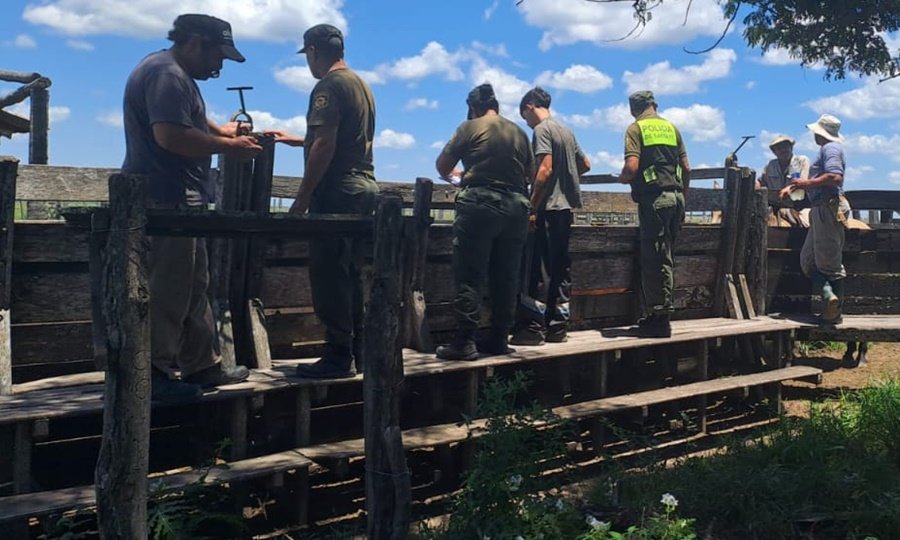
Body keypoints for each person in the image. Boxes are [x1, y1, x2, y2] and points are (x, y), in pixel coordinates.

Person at [122, 13, 262, 400]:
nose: (219, 65)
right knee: (168, 289)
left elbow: (192, 119)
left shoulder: (172, 72)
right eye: (218, 55)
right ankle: (154, 375)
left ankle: (203, 365)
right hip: (166, 199)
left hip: (184, 200)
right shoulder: (167, 75)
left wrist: (223, 131)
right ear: (195, 43)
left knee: (194, 284)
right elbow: (170, 135)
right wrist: (229, 147)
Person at [267, 24, 378, 378]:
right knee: (351, 273)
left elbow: (327, 144)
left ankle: (336, 356)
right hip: (363, 187)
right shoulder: (361, 84)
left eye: (308, 56)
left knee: (329, 273)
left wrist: (302, 197)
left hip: (338, 190)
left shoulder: (327, 86)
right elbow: (338, 138)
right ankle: (358, 351)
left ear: (313, 51)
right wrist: (296, 140)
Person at [434, 83, 533, 360]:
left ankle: (465, 341)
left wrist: (464, 173)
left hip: (480, 205)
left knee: (470, 273)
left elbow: (442, 166)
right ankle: (499, 338)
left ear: (473, 108)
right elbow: (529, 173)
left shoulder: (470, 127)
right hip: (516, 208)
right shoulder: (519, 132)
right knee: (507, 276)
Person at [511, 87, 591, 345]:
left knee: (540, 269)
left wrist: (532, 207)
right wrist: (567, 179)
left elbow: (544, 170)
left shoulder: (542, 130)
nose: (526, 121)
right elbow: (586, 164)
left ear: (530, 106)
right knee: (560, 268)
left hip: (548, 208)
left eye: (525, 116)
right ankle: (558, 328)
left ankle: (533, 329)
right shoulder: (566, 130)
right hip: (566, 209)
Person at [618, 90, 691, 338]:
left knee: (654, 258)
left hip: (655, 201)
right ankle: (659, 313)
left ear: (632, 109)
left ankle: (659, 318)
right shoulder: (672, 128)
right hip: (677, 199)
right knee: (667, 255)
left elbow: (632, 167)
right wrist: (684, 199)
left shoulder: (635, 128)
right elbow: (686, 168)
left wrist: (622, 178)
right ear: (655, 105)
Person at [779, 114, 850, 324]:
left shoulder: (831, 149)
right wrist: (795, 186)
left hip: (827, 207)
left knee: (830, 263)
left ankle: (833, 312)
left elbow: (835, 177)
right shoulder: (827, 150)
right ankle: (830, 297)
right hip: (821, 207)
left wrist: (805, 184)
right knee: (808, 261)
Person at [759, 134, 810, 227]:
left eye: (785, 147)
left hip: (799, 206)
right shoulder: (770, 165)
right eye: (779, 148)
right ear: (774, 152)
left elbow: (804, 182)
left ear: (791, 147)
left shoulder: (802, 161)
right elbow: (761, 182)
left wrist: (790, 189)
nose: (783, 150)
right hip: (774, 207)